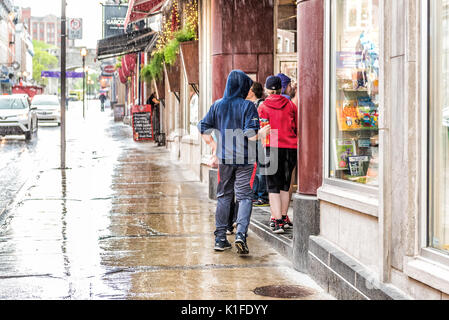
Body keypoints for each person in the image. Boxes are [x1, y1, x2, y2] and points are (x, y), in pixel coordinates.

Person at [198, 70, 270, 255]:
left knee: (224, 196)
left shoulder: (217, 105)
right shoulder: (248, 106)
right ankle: (240, 235)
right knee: (245, 196)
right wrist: (263, 133)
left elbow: (204, 129)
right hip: (246, 159)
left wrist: (215, 147)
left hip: (224, 159)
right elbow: (251, 135)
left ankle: (220, 238)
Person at [258, 76, 297, 234]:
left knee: (272, 186)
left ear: (267, 89)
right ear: (281, 88)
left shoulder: (264, 106)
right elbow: (296, 126)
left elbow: (264, 129)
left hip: (272, 146)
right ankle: (284, 216)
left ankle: (277, 221)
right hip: (290, 147)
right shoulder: (290, 104)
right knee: (285, 185)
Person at [246, 82, 269, 207]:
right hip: (253, 139)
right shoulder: (250, 105)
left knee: (261, 168)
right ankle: (254, 194)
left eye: (249, 90)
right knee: (253, 167)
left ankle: (263, 195)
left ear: (252, 92)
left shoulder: (262, 104)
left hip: (261, 139)